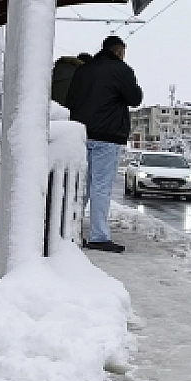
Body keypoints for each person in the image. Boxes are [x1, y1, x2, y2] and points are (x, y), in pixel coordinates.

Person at [65, 35, 143, 254]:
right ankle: (99, 236)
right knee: (101, 187)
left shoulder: (83, 70)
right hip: (107, 137)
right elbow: (135, 98)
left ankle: (69, 230)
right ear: (119, 51)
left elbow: (70, 99)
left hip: (81, 134)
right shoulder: (121, 70)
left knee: (80, 187)